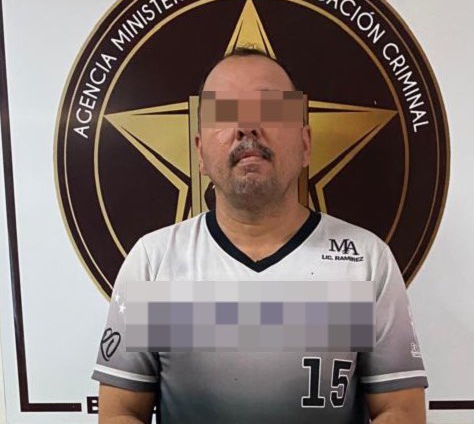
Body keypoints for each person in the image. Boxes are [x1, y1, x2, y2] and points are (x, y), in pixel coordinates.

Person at [92, 48, 428, 423]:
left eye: (270, 109)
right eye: (224, 112)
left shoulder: (366, 262)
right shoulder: (153, 263)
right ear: (200, 153)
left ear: (305, 144)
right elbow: (120, 412)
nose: (247, 126)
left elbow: (401, 410)